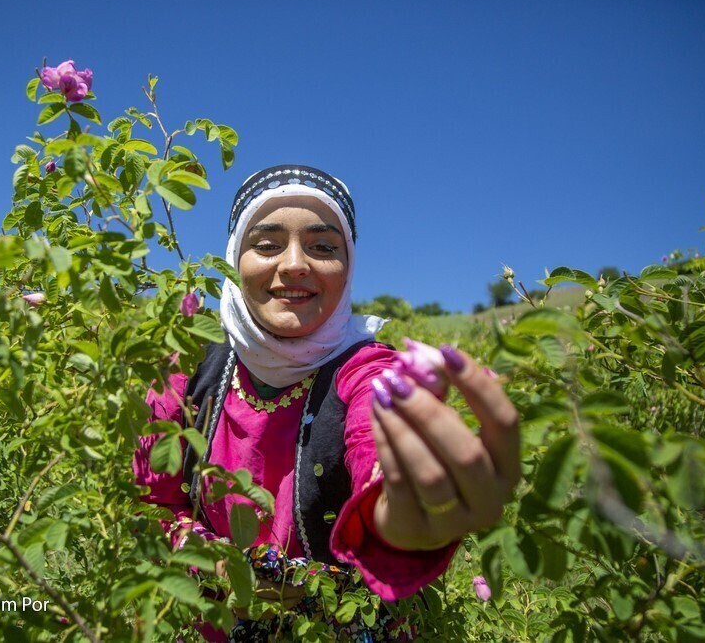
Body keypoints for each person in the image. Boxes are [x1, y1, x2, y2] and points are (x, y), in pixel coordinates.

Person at [134, 164, 520, 639]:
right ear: (234, 259)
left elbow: (374, 433)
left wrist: (396, 512)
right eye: (267, 244)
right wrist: (211, 564)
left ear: (348, 266)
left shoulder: (366, 368)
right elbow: (148, 505)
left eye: (323, 247)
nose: (295, 264)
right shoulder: (189, 363)